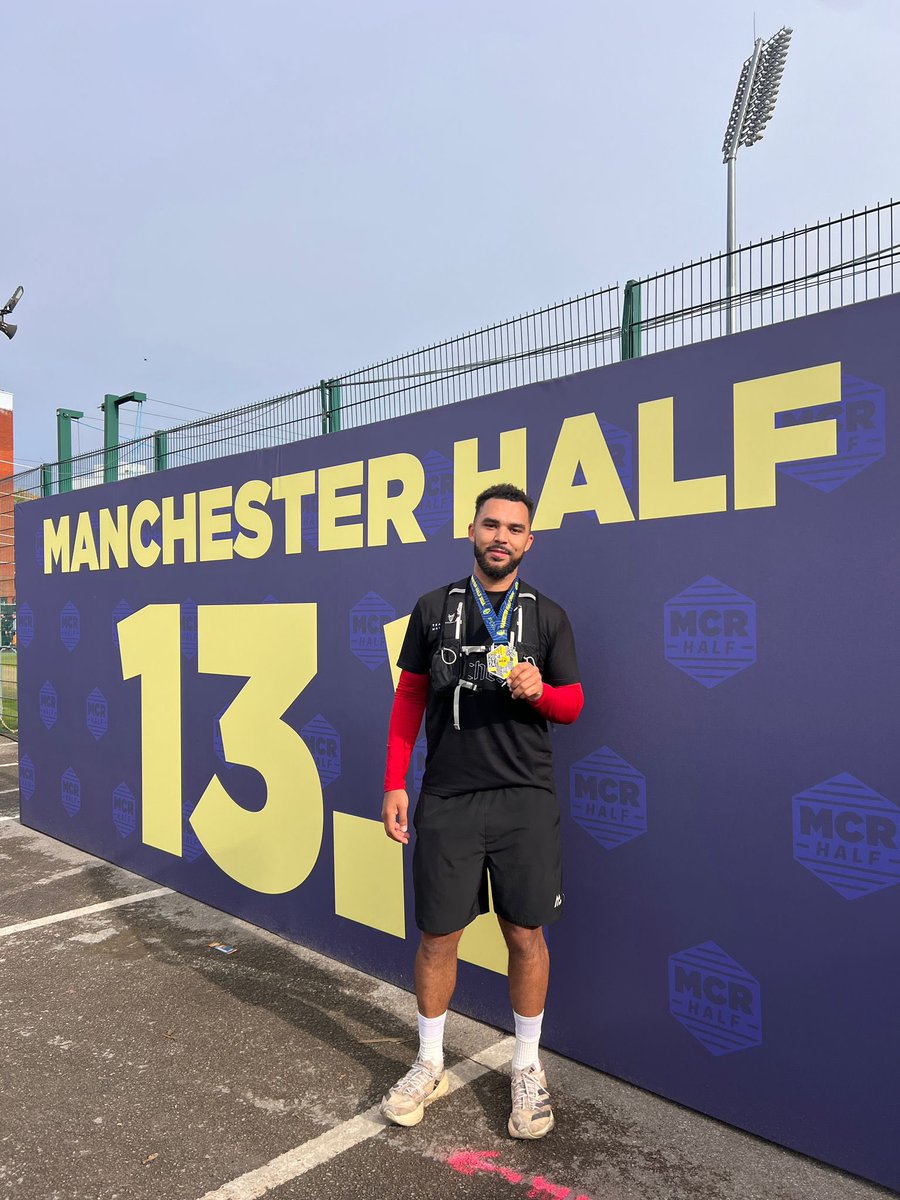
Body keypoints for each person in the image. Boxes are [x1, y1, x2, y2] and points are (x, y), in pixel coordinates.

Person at [379, 482, 584, 1139]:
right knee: (438, 936)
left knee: (525, 934)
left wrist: (542, 692)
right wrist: (395, 781)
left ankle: (527, 1067)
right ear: (471, 531)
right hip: (447, 797)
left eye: (514, 528)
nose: (501, 536)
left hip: (525, 798)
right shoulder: (433, 608)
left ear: (530, 540)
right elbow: (408, 698)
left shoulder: (548, 616)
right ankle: (429, 1060)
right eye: (490, 524)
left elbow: (574, 705)